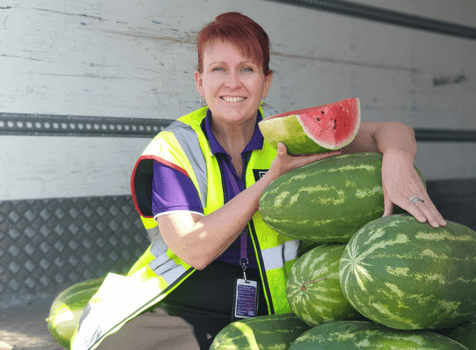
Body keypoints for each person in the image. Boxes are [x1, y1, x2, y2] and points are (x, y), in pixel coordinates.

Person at [71, 12, 446, 350]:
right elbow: (193, 249)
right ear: (200, 82)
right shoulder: (175, 147)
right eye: (218, 69)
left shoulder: (290, 135)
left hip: (278, 308)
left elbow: (393, 130)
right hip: (182, 301)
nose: (232, 82)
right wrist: (271, 182)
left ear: (266, 83)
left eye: (247, 69)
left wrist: (398, 159)